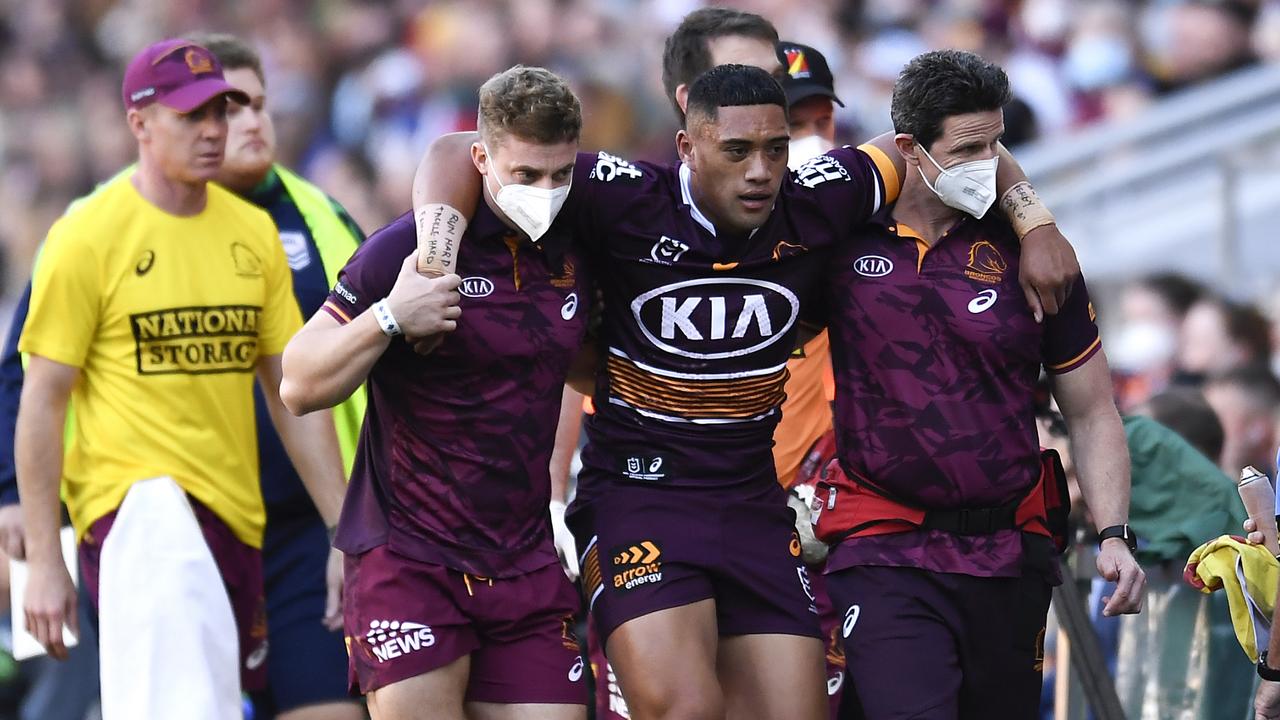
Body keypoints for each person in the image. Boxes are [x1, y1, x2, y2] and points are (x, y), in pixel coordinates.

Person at [0, 33, 365, 720]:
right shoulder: (87, 235)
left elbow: (290, 393)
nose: (215, 130)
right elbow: (37, 397)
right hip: (140, 515)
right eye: (192, 115)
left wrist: (342, 530)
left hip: (243, 518)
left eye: (222, 112)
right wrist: (44, 563)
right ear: (139, 122)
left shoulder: (255, 235)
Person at [814, 50, 1144, 719]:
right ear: (909, 148)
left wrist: (1114, 533)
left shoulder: (1037, 256)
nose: (987, 163)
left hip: (1007, 555)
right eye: (968, 148)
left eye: (997, 144)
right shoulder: (841, 241)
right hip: (885, 546)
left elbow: (1091, 410)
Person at [279, 65, 591, 720]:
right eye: (527, 175)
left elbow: (581, 374)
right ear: (482, 158)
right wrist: (390, 315)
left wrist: (562, 489)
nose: (546, 192)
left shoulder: (578, 251)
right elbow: (299, 381)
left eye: (560, 175)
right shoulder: (410, 248)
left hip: (525, 559)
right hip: (409, 558)